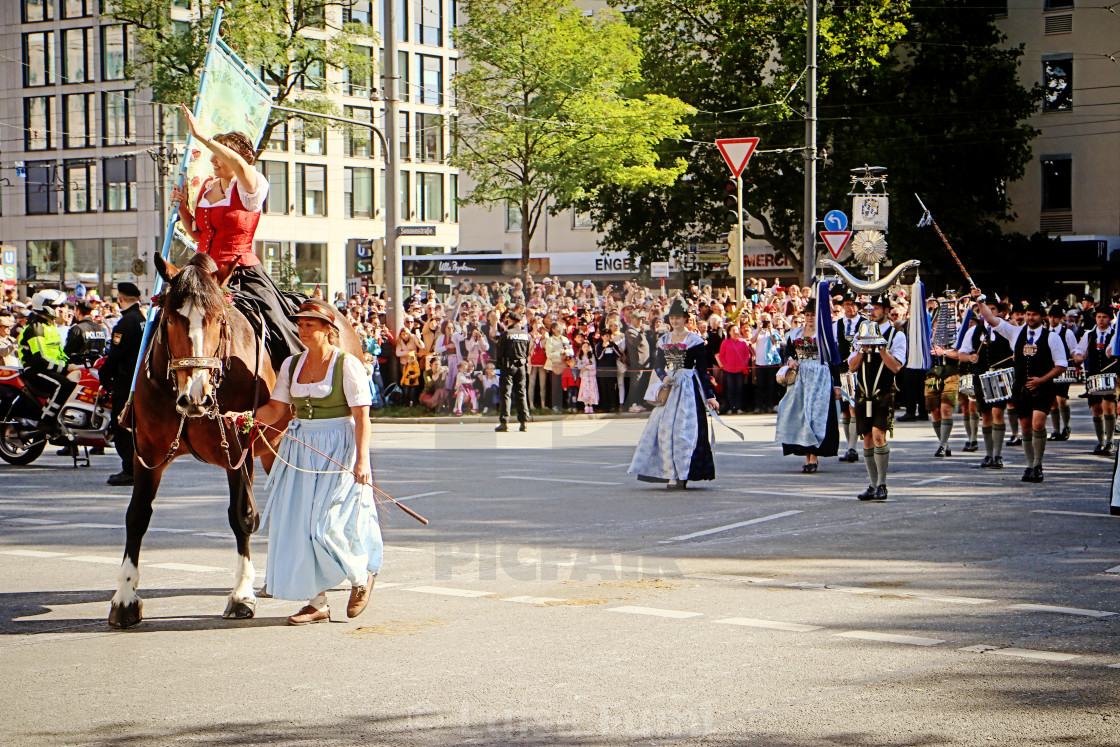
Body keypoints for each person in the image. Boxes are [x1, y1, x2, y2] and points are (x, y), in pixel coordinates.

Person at [249, 298, 379, 625]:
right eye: (300, 324)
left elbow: (362, 418)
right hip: (302, 445)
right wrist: (244, 417)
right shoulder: (292, 365)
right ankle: (317, 602)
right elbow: (276, 410)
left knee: (326, 524)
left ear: (327, 330)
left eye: (310, 325)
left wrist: (362, 461)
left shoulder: (346, 364)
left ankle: (361, 577)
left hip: (339, 445)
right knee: (299, 524)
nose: (302, 329)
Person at [170, 104, 302, 371]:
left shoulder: (251, 184)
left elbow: (241, 166)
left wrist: (202, 136)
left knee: (276, 323)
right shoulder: (206, 187)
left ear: (235, 158)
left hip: (240, 268)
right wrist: (183, 206)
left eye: (219, 155)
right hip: (202, 269)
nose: (213, 160)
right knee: (170, 318)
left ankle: (293, 376)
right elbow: (198, 233)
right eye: (212, 154)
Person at [971, 292, 1067, 483]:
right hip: (1021, 387)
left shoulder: (1052, 338)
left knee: (1038, 423)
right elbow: (990, 319)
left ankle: (1038, 465)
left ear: (1043, 317)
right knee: (1025, 427)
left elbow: (1061, 365)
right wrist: (979, 301)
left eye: (1035, 315)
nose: (1030, 318)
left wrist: (1042, 379)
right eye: (1028, 314)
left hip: (1042, 388)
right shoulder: (1015, 332)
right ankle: (1029, 465)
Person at [629, 298, 720, 490]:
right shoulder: (664, 340)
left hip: (688, 388)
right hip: (669, 390)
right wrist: (663, 378)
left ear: (686, 319)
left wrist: (710, 395)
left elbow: (702, 370)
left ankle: (683, 473)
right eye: (673, 317)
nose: (675, 321)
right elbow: (659, 366)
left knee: (685, 433)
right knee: (663, 431)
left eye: (679, 317)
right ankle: (670, 473)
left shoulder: (695, 341)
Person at [848, 295, 907, 500]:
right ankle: (872, 484)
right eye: (869, 308)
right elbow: (852, 366)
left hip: (884, 391)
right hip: (863, 391)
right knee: (866, 438)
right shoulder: (860, 334)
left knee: (878, 435)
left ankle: (882, 484)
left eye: (877, 308)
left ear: (886, 311)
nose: (872, 311)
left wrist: (881, 347)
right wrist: (863, 350)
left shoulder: (896, 335)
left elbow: (896, 366)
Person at [775, 298, 841, 474]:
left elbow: (834, 361)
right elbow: (788, 354)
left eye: (813, 315)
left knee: (816, 415)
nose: (810, 317)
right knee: (801, 414)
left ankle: (814, 457)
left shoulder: (825, 335)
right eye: (808, 314)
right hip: (801, 377)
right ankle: (807, 456)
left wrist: (837, 385)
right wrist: (790, 362)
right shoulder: (795, 334)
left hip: (820, 376)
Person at [947, 299, 1011, 469]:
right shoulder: (974, 331)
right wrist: (970, 357)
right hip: (980, 377)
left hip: (1000, 377)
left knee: (998, 414)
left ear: (998, 312)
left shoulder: (1006, 329)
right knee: (986, 416)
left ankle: (997, 455)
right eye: (985, 309)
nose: (989, 312)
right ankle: (988, 454)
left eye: (992, 309)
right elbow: (961, 354)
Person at [99, 282, 145, 486]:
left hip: (125, 381)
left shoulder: (126, 323)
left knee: (123, 424)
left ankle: (129, 469)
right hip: (139, 381)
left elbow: (116, 355)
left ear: (120, 298)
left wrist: (104, 374)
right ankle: (137, 467)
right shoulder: (143, 319)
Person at [18, 290, 74, 440]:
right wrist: (66, 367)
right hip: (35, 370)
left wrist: (74, 362)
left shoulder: (50, 326)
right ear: (46, 306)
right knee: (64, 385)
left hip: (49, 369)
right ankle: (47, 421)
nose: (61, 308)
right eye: (58, 305)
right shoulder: (36, 328)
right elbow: (40, 359)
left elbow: (58, 353)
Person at [1073, 306, 1117, 456]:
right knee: (1096, 408)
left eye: (1104, 317)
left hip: (1111, 374)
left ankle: (1110, 441)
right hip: (1094, 375)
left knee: (1109, 407)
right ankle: (1101, 442)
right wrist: (1078, 357)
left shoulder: (1116, 334)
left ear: (1110, 318)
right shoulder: (1090, 335)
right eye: (1098, 317)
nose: (1101, 320)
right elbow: (1079, 351)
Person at [926, 295, 960, 458]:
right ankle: (943, 442)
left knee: (946, 407)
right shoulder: (929, 334)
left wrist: (944, 351)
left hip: (952, 373)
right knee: (934, 410)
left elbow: (962, 353)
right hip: (932, 374)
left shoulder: (957, 333)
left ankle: (942, 445)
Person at [833, 291, 862, 463]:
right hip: (842, 369)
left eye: (852, 304)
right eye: (846, 304)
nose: (849, 308)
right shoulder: (837, 324)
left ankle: (853, 447)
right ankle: (849, 445)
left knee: (853, 408)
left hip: (859, 369)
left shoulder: (865, 323)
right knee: (845, 409)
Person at [1046, 305, 1077, 442]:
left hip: (1064, 369)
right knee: (1052, 401)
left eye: (1055, 318)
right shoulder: (1045, 332)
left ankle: (1067, 426)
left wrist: (1076, 360)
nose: (1052, 320)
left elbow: (1073, 350)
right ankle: (1056, 430)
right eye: (1051, 317)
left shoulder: (1067, 333)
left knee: (1062, 399)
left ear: (1060, 319)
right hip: (1049, 370)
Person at [495, 311, 530, 432]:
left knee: (506, 394)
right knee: (521, 393)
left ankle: (504, 422)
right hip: (521, 366)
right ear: (520, 322)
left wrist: (501, 366)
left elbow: (499, 354)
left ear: (509, 321)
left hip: (508, 366)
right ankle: (524, 422)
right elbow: (527, 352)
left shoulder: (506, 334)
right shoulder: (526, 335)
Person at [718, 324, 751, 415]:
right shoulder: (725, 342)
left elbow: (747, 355)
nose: (735, 332)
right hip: (728, 370)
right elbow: (721, 356)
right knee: (730, 389)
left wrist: (744, 364)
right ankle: (731, 407)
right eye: (733, 330)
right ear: (729, 332)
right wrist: (725, 364)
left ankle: (739, 407)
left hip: (740, 370)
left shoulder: (743, 342)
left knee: (739, 388)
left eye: (736, 330)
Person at [576, 340, 599, 414]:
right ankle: (586, 405)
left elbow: (593, 365)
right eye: (584, 347)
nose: (586, 348)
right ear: (581, 348)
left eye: (587, 347)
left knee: (591, 389)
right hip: (584, 376)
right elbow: (579, 366)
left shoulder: (591, 356)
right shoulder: (580, 356)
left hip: (591, 376)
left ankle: (591, 405)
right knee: (585, 390)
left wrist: (588, 367)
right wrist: (586, 366)